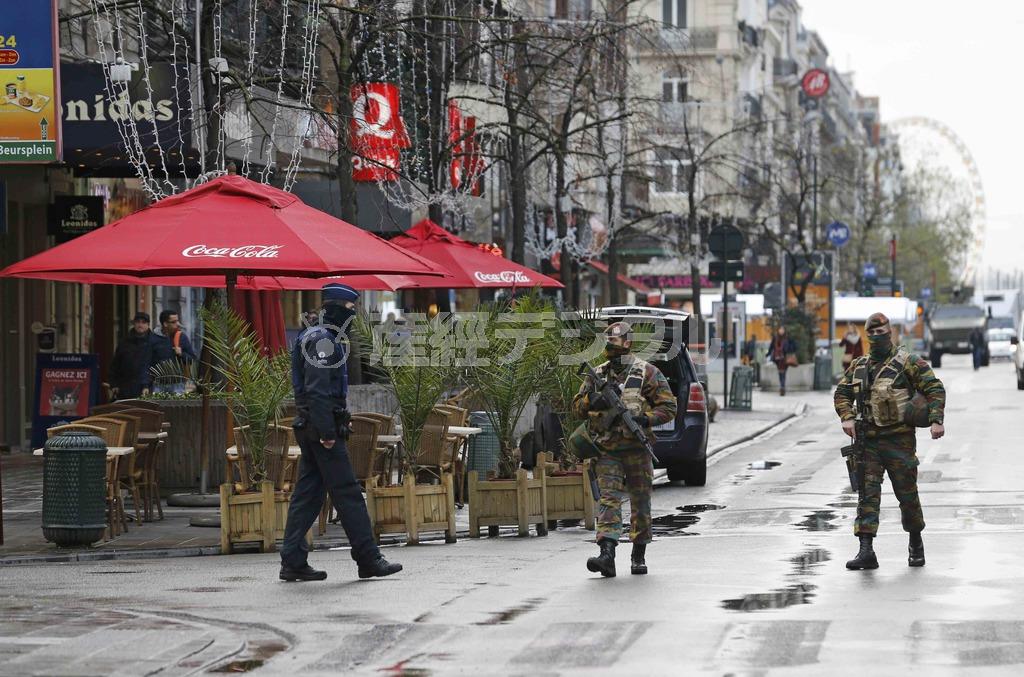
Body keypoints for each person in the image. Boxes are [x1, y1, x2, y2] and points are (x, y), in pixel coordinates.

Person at [279, 283, 402, 582]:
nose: (353, 316)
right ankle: (368, 558)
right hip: (322, 429)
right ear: (335, 308)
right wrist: (326, 432)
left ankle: (293, 560)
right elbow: (318, 392)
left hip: (312, 426)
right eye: (350, 310)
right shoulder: (323, 341)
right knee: (347, 493)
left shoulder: (315, 335)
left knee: (308, 495)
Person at [834, 312, 946, 570]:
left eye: (881, 332)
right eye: (871, 333)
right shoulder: (859, 365)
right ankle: (866, 550)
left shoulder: (908, 362)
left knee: (907, 495)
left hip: (900, 440)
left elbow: (934, 388)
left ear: (890, 332)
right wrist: (847, 417)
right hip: (868, 441)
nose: (876, 337)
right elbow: (842, 393)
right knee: (867, 495)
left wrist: (936, 419)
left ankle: (915, 541)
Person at [571, 322, 677, 577]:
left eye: (615, 341)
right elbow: (576, 407)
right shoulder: (597, 374)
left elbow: (669, 407)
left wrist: (645, 419)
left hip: (637, 450)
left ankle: (638, 553)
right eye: (607, 340)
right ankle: (607, 554)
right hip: (607, 448)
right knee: (608, 500)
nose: (610, 345)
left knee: (641, 503)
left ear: (628, 342)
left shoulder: (647, 373)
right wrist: (591, 400)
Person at [109, 312, 164, 400]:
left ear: (148, 324)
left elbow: (157, 367)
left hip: (147, 388)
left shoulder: (155, 343)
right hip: (125, 388)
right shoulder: (124, 342)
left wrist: (147, 384)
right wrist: (114, 384)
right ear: (134, 323)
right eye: (138, 322)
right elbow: (116, 364)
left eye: (143, 322)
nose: (140, 325)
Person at [152, 310, 198, 393]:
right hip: (157, 384)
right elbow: (147, 361)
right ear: (165, 324)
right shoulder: (153, 338)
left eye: (178, 321)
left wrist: (181, 354)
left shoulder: (181, 337)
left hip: (178, 384)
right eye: (174, 322)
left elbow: (192, 359)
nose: (178, 324)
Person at [769, 325, 797, 396]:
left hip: (785, 358)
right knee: (780, 373)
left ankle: (782, 387)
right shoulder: (775, 338)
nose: (781, 331)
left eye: (782, 329)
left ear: (784, 330)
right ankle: (782, 387)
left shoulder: (787, 338)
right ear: (778, 330)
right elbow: (772, 346)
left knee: (783, 373)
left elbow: (794, 345)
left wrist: (789, 349)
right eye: (780, 329)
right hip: (777, 358)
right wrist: (768, 353)